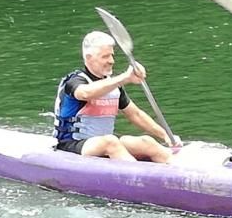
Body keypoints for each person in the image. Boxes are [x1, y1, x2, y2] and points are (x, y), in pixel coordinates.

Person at [53, 31, 177, 162]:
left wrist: (165, 135)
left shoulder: (113, 87)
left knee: (145, 142)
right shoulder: (74, 81)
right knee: (110, 142)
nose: (112, 61)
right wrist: (125, 78)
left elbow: (136, 115)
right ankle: (137, 176)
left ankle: (178, 170)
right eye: (105, 56)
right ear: (89, 58)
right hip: (72, 145)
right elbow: (85, 93)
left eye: (112, 55)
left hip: (103, 143)